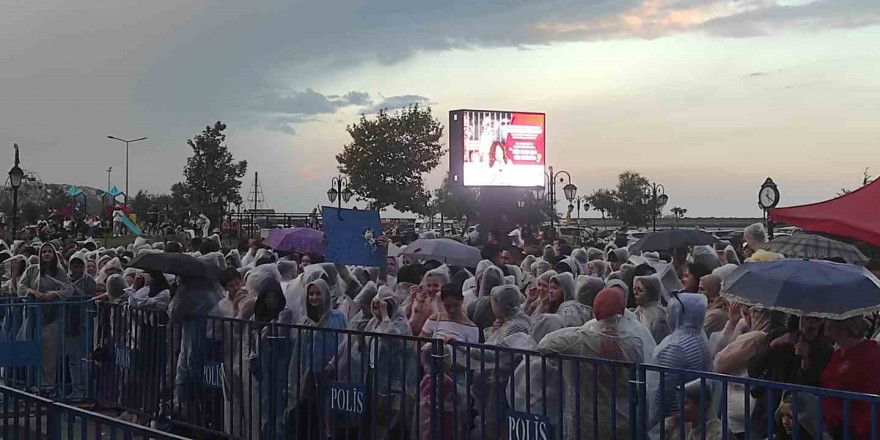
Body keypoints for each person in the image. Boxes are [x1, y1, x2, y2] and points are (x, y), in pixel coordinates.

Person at [537, 287, 645, 440]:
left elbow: (544, 344)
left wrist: (582, 330)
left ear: (595, 312)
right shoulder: (634, 342)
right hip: (622, 420)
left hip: (587, 422)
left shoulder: (581, 339)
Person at [17, 242, 74, 387]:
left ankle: (47, 385)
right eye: (44, 252)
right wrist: (33, 292)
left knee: (49, 352)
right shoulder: (32, 270)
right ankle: (31, 383)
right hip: (32, 316)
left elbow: (68, 289)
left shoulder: (59, 272)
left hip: (51, 317)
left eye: (49, 251)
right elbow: (21, 286)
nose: (47, 254)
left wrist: (53, 294)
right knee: (31, 349)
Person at [650, 293, 712, 427]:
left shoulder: (676, 347)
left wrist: (651, 422)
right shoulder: (699, 335)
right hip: (694, 416)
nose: (667, 315)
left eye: (670, 311)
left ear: (678, 313)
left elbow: (663, 392)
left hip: (675, 420)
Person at [820, 316, 880, 440]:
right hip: (831, 426)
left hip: (853, 431)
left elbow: (872, 398)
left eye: (829, 319)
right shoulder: (837, 355)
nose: (825, 322)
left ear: (843, 324)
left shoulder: (869, 354)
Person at [662, 379, 728, 440]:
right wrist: (667, 428)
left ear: (703, 405)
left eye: (685, 403)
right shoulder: (678, 426)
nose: (680, 407)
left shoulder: (719, 434)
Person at [633, 275, 671, 344]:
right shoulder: (639, 309)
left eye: (640, 290)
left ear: (650, 293)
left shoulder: (658, 315)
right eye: (635, 289)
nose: (635, 293)